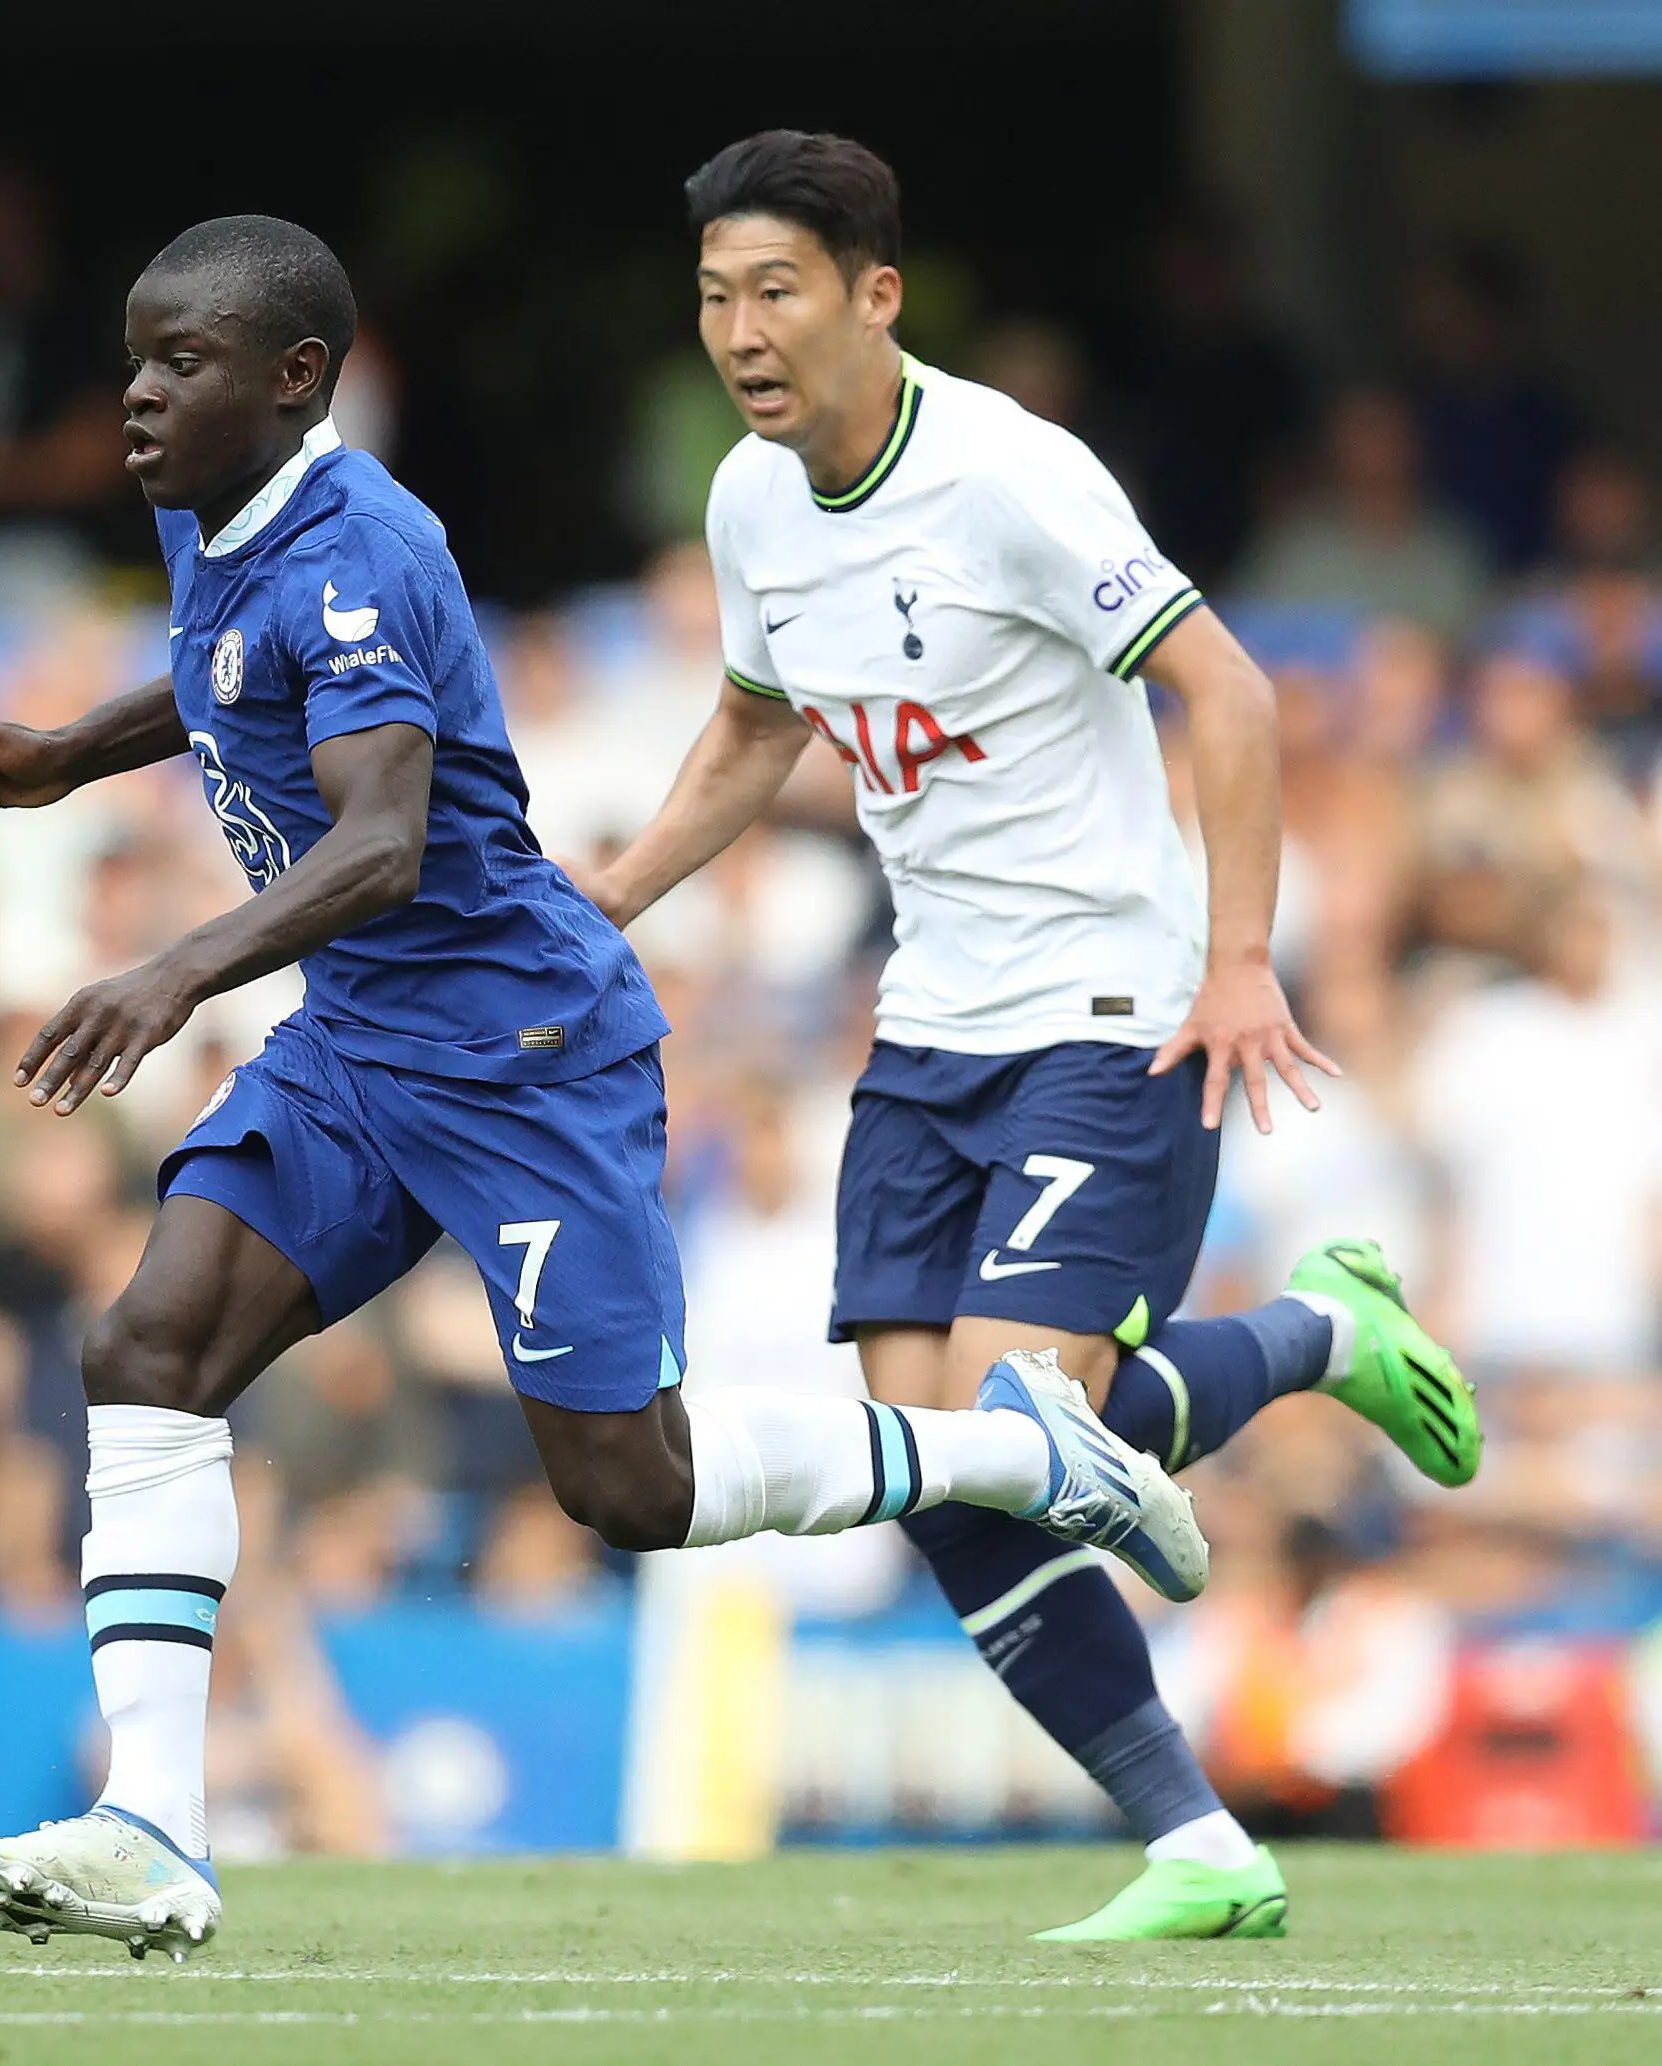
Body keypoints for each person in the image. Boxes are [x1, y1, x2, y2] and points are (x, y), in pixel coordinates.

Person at [0, 215, 1208, 1959]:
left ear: (299, 380)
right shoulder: (208, 504)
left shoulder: (367, 549)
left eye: (182, 362)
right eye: (137, 352)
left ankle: (1012, 1451)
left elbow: (381, 840)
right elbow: (237, 672)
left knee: (627, 1491)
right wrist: (75, 750)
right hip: (363, 1040)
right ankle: (151, 1821)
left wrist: (171, 969)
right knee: (148, 1343)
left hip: (520, 1049)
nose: (139, 392)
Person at [578, 130, 1485, 1940]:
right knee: (934, 1468)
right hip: (929, 1021)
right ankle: (1200, 1847)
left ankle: (1314, 1334)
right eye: (712, 299)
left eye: (774, 291)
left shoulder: (1007, 474)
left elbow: (1223, 685)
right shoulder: (754, 503)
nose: (740, 333)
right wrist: (603, 901)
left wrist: (1237, 956)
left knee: (1014, 1416)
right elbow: (761, 731)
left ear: (872, 295)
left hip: (1111, 1002)